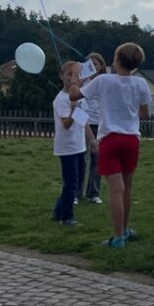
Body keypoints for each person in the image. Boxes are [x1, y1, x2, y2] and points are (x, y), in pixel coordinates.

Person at [68, 42, 151, 248]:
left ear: (117, 60)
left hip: (110, 139)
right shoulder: (141, 83)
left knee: (116, 190)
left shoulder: (103, 80)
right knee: (127, 187)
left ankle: (118, 237)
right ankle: (125, 230)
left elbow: (73, 95)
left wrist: (75, 76)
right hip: (131, 139)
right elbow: (144, 114)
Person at [51, 61, 87, 227]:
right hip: (67, 147)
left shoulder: (78, 96)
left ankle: (57, 211)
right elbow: (66, 124)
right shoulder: (61, 99)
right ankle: (67, 217)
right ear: (61, 76)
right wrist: (73, 109)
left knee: (76, 181)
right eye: (69, 74)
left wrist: (92, 140)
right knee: (71, 183)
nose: (72, 78)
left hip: (79, 145)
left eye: (75, 74)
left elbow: (83, 120)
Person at [77, 51, 106, 205]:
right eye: (89, 64)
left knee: (97, 160)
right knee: (81, 159)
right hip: (83, 123)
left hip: (99, 124)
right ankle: (76, 192)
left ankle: (93, 193)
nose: (92, 67)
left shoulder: (105, 82)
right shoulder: (83, 83)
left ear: (101, 66)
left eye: (95, 64)